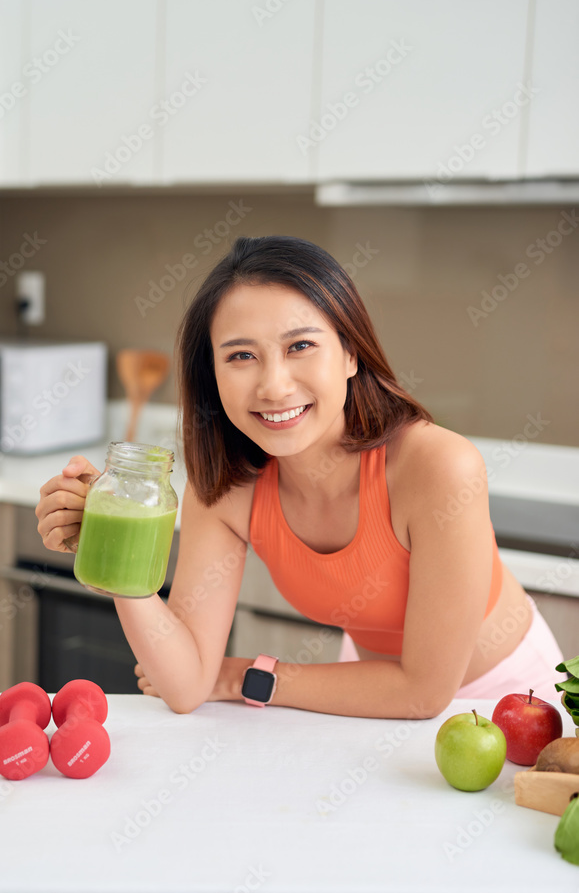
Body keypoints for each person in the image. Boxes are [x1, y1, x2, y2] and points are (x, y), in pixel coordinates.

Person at [36, 235, 564, 718]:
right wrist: (112, 549)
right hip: (371, 687)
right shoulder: (226, 485)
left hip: (509, 698)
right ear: (212, 375)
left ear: (351, 353)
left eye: (300, 346)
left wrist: (248, 677)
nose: (273, 385)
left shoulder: (438, 467)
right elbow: (187, 684)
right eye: (241, 355)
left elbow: (424, 693)